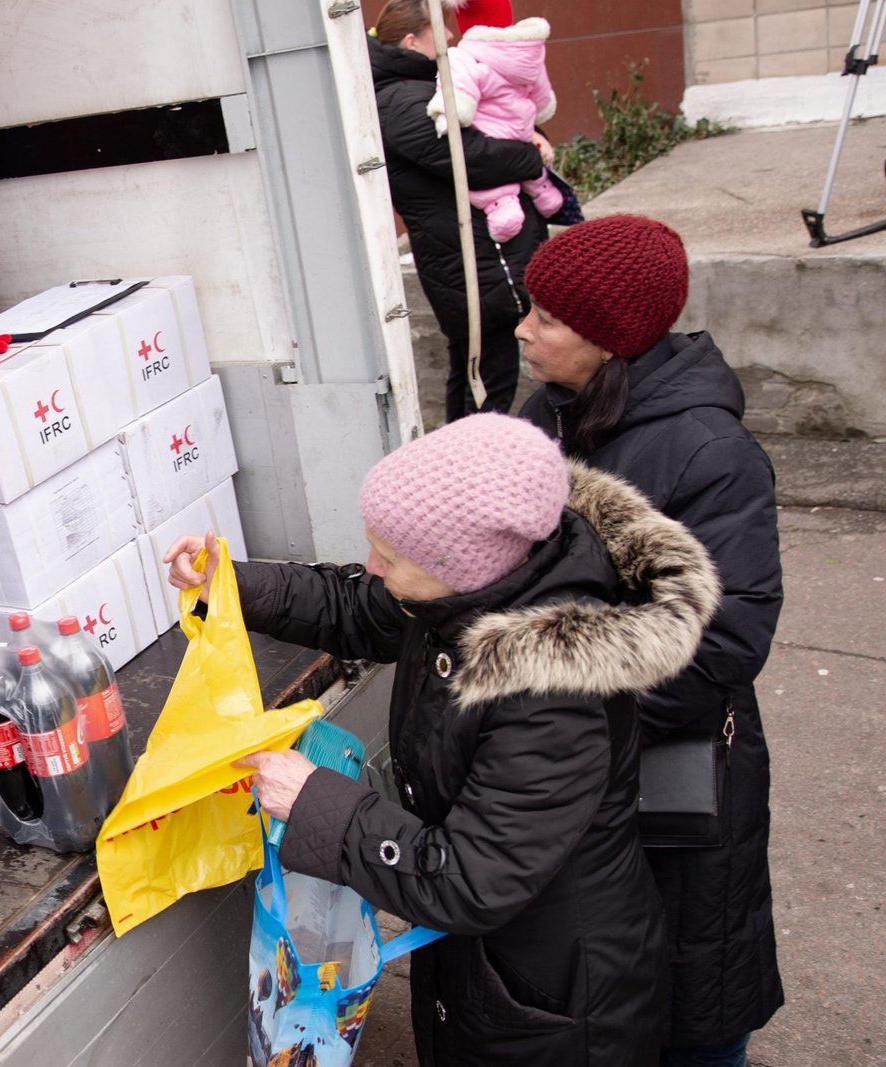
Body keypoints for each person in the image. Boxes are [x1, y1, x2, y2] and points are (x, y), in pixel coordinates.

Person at [166, 413, 722, 1065]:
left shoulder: (554, 699)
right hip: (489, 967)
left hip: (555, 1003)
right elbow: (356, 604)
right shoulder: (472, 588)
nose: (373, 565)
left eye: (390, 556)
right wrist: (231, 584)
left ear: (460, 567)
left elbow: (470, 878)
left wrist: (314, 799)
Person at [516, 214, 784, 1067]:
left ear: (612, 340)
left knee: (690, 995)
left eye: (546, 317)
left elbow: (720, 640)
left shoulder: (710, 453)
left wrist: (565, 711)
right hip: (577, 779)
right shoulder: (544, 414)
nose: (522, 328)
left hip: (672, 776)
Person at [369, 0, 552, 420]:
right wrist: (530, 158)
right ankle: (475, 470)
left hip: (470, 255)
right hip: (467, 258)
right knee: (488, 377)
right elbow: (469, 157)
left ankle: (457, 461)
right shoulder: (401, 99)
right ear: (413, 39)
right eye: (439, 29)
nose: (450, 36)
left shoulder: (417, 88)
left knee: (475, 369)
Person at [426, 4, 563, 243]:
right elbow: (542, 103)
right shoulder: (529, 52)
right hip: (522, 131)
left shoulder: (463, 57)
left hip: (492, 134)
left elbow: (458, 97)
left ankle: (502, 209)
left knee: (496, 189)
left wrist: (446, 117)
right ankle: (544, 192)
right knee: (531, 171)